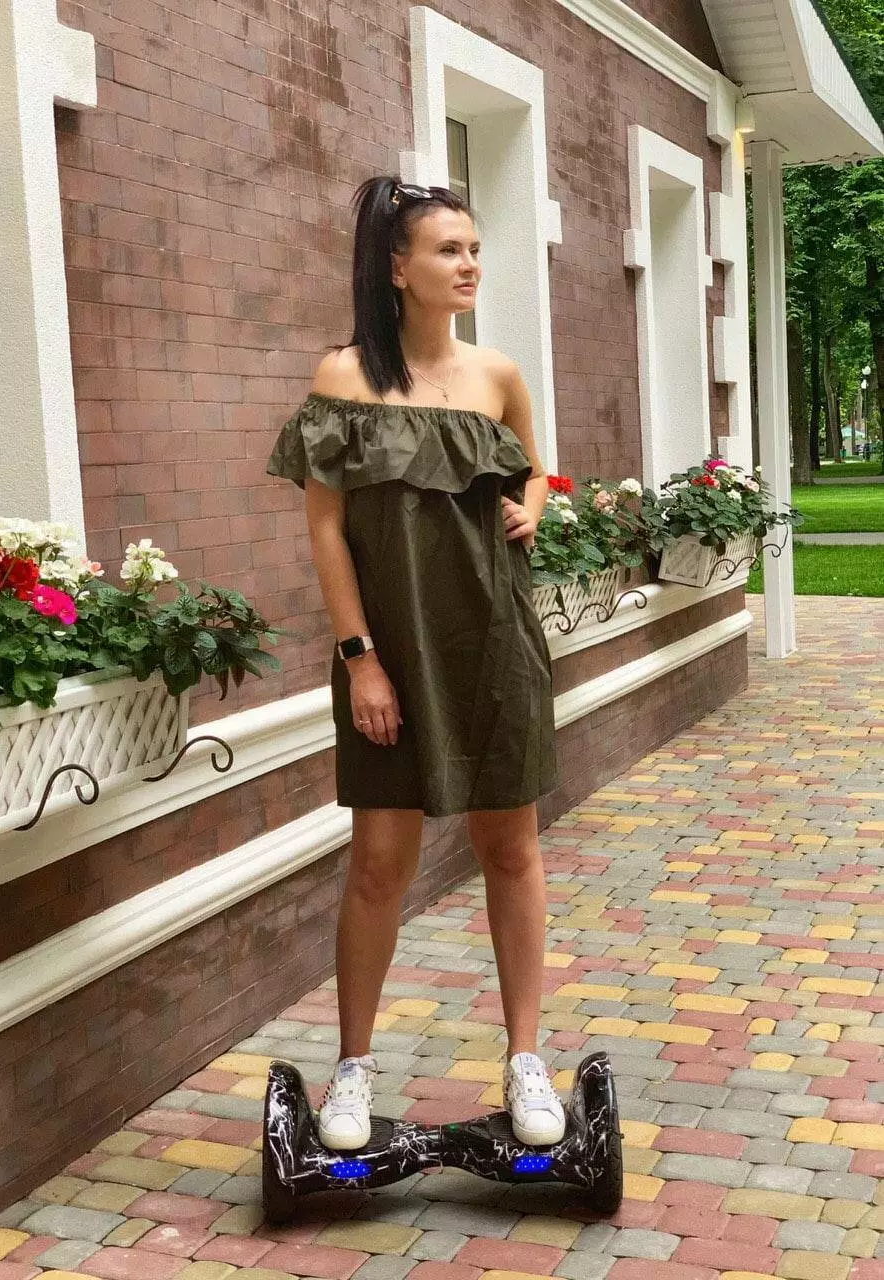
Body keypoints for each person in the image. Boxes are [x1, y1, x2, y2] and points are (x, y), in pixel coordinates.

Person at [267, 176, 563, 1151]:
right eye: (448, 249)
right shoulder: (344, 377)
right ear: (398, 268)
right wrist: (360, 660)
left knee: (510, 850)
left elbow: (535, 469)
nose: (469, 263)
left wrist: (530, 507)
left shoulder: (498, 374)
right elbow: (324, 529)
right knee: (379, 863)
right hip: (390, 655)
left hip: (495, 644)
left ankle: (525, 1058)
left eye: (474, 248)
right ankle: (352, 1068)